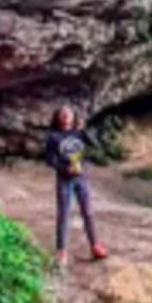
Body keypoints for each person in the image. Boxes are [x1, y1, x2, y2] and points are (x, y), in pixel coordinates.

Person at [45, 105, 108, 268]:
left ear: (73, 116)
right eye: (62, 114)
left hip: (81, 178)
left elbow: (96, 145)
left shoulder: (79, 133)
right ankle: (61, 252)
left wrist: (84, 130)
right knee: (63, 215)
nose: (66, 116)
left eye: (68, 114)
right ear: (58, 117)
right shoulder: (54, 136)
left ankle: (95, 246)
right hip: (64, 180)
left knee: (87, 212)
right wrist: (64, 168)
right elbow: (49, 160)